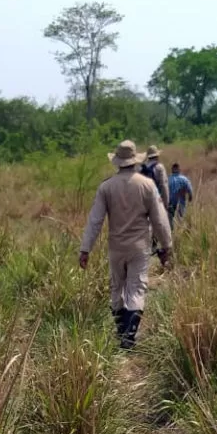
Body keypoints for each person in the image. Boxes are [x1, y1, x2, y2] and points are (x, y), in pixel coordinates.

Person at [79, 140, 172, 350]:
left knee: (117, 289)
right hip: (139, 247)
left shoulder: (106, 187)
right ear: (135, 161)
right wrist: (166, 246)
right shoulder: (147, 185)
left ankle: (122, 333)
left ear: (118, 162)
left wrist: (85, 249)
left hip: (116, 247)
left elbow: (95, 220)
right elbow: (159, 219)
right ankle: (129, 336)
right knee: (137, 288)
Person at [168, 162, 194, 229]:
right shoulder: (184, 179)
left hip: (170, 203)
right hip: (181, 202)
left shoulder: (168, 179)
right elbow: (190, 191)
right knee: (181, 219)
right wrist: (190, 198)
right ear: (179, 169)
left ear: (172, 169)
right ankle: (180, 233)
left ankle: (172, 234)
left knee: (170, 220)